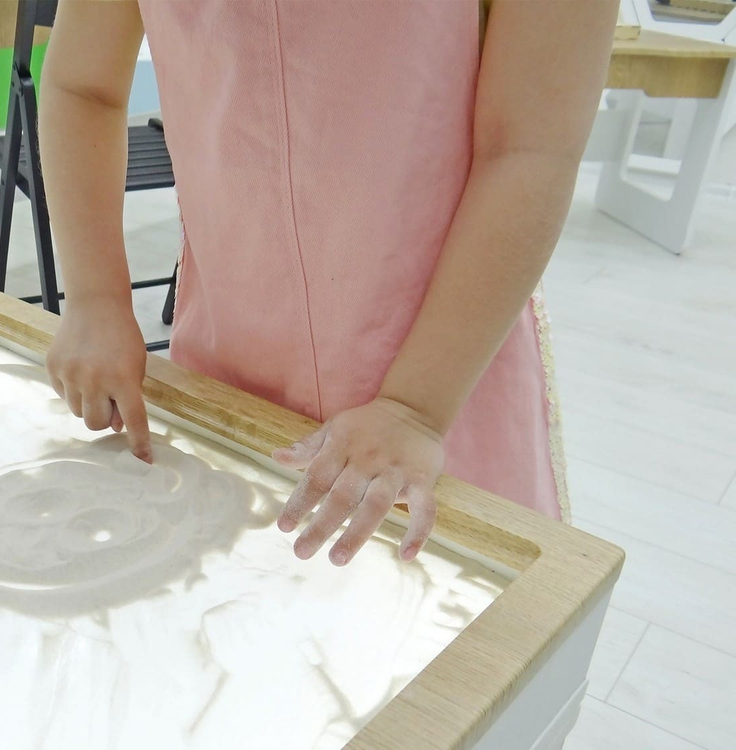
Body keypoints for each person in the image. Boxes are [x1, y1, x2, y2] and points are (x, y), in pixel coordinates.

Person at [40, 0, 617, 566]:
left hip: (443, 376)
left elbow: (530, 148)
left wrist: (415, 409)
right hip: (226, 360)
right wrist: (95, 299)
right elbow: (83, 85)